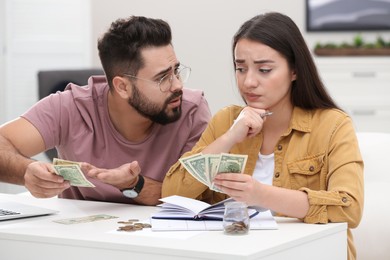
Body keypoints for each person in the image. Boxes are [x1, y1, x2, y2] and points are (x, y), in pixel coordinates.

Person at [162, 12, 363, 260]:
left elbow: (349, 208)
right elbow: (170, 193)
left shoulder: (333, 125)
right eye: (240, 68)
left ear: (294, 71)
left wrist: (260, 194)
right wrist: (229, 138)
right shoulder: (226, 121)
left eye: (264, 70)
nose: (248, 82)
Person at [0, 16, 211, 206]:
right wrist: (26, 171)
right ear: (123, 87)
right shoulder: (70, 106)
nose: (177, 86)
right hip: (78, 243)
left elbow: (194, 197)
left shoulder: (192, 110)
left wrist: (133, 184)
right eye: (162, 78)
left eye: (176, 71)